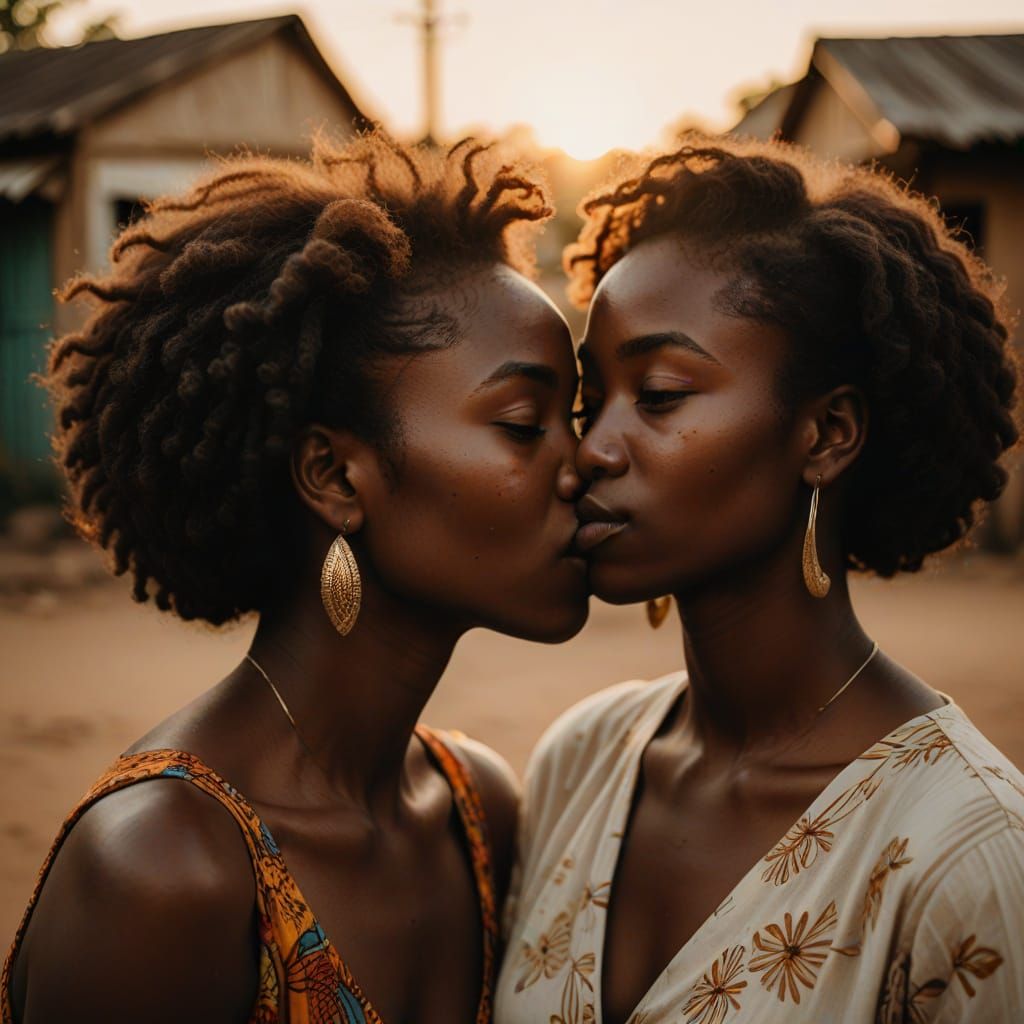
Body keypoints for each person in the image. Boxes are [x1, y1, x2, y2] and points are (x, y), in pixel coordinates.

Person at [3, 131, 589, 1024]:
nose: (583, 465)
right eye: (523, 422)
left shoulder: (480, 812)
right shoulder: (163, 873)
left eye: (573, 416)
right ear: (334, 475)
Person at [496, 136, 1023, 1024]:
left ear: (825, 435)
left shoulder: (970, 854)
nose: (594, 448)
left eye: (659, 395)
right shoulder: (579, 759)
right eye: (592, 402)